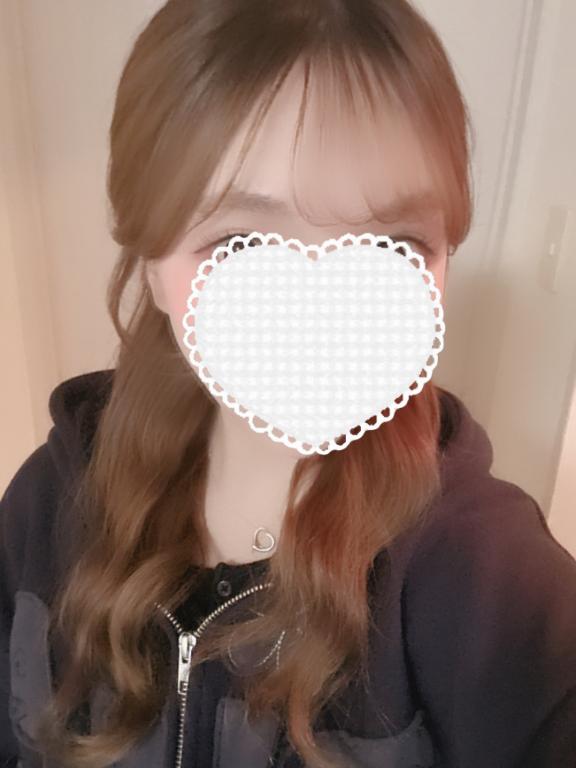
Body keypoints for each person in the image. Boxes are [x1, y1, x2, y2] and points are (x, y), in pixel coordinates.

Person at [1, 1, 576, 767]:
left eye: (392, 244)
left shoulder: (489, 577)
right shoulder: (49, 503)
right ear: (150, 264)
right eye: (241, 243)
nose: (320, 315)